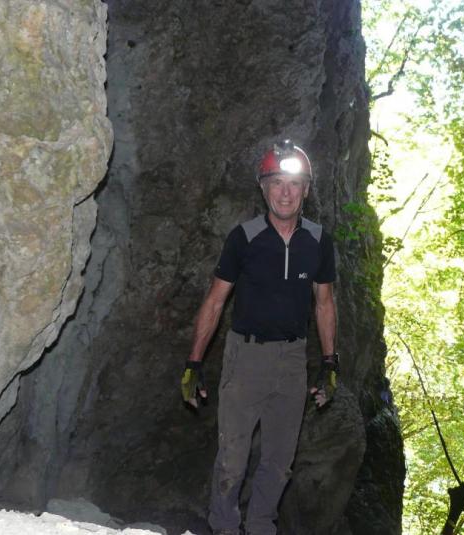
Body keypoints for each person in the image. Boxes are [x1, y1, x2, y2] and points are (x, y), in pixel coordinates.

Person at [180, 140, 340, 535]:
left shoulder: (319, 240)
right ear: (263, 188)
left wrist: (330, 363)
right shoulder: (244, 237)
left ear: (306, 190)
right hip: (245, 356)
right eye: (276, 183)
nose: (285, 192)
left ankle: (262, 527)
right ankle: (224, 528)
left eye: (294, 184)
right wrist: (194, 364)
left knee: (279, 460)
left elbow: (324, 303)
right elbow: (215, 302)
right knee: (232, 457)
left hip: (292, 360)